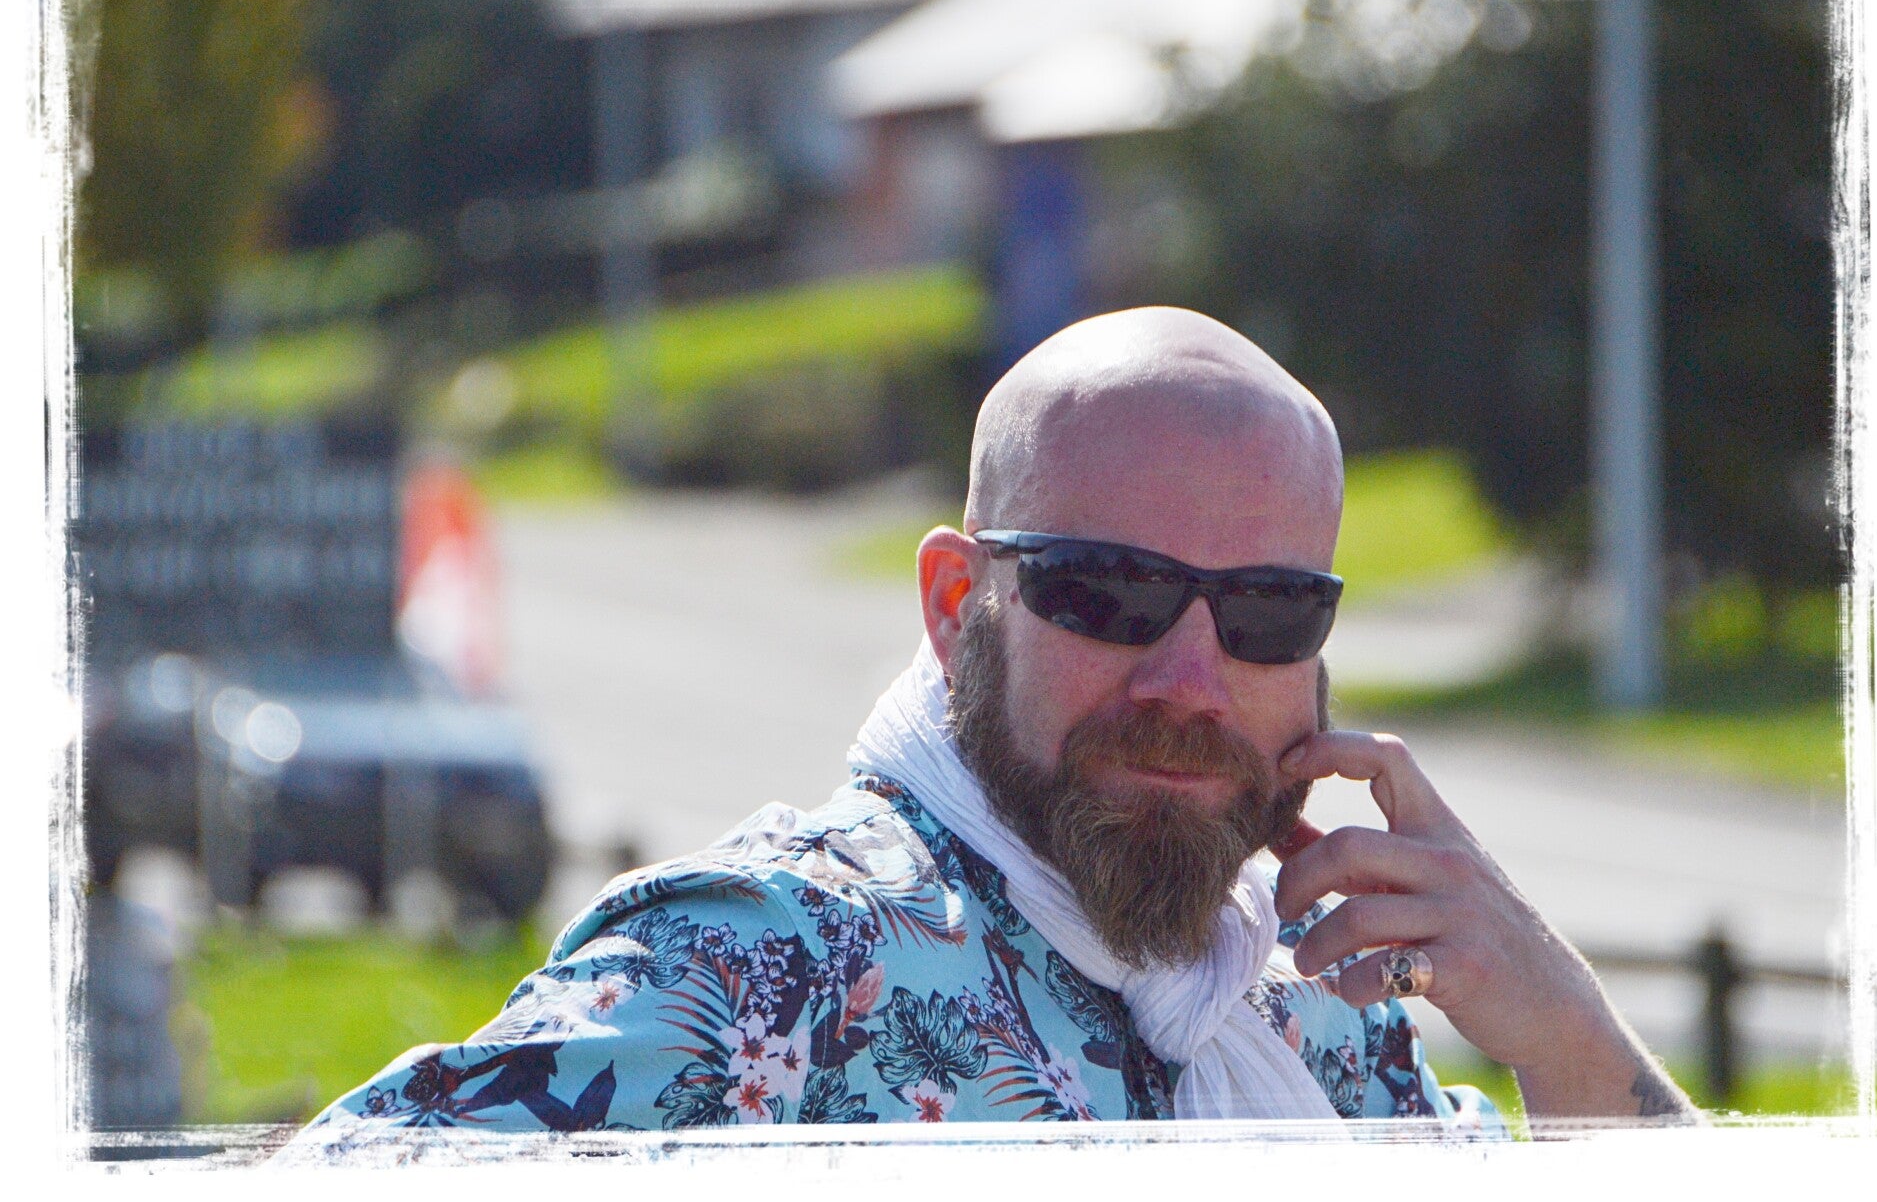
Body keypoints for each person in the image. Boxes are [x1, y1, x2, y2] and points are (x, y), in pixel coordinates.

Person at [278, 307, 1698, 1159]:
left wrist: (1567, 1038)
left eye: (1267, 610)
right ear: (960, 606)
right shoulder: (772, 965)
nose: (1192, 679)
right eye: (1112, 591)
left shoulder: (1311, 1005)